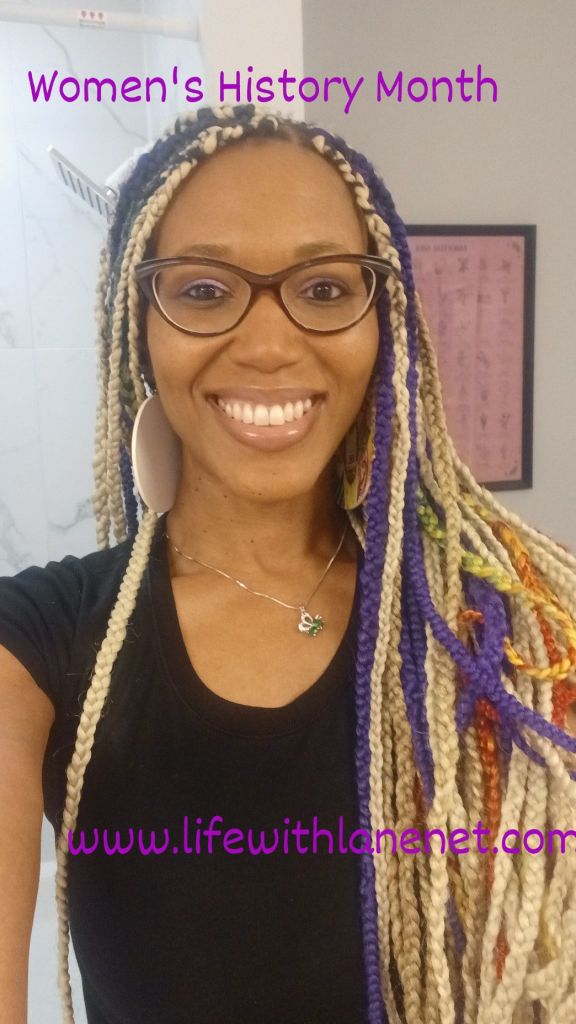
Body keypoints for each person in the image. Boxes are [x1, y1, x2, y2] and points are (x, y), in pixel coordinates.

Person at [0, 102, 575, 1024]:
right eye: (202, 289)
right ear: (137, 326)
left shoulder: (503, 637)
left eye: (325, 288)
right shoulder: (36, 647)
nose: (270, 344)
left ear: (383, 324)